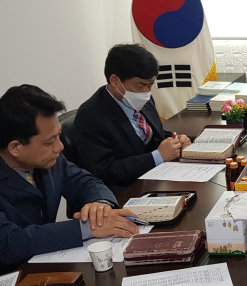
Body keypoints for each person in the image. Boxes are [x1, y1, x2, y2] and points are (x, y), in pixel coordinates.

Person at [0, 85, 139, 286]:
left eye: (58, 136)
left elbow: (83, 181)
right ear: (15, 147)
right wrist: (89, 228)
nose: (60, 147)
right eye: (50, 142)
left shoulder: (43, 152)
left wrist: (99, 206)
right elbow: (6, 243)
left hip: (36, 265)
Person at [73, 43, 192, 189]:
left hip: (155, 178)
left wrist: (176, 141)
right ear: (115, 80)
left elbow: (154, 135)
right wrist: (158, 156)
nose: (146, 92)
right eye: (140, 85)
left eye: (150, 85)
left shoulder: (144, 99)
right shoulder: (91, 115)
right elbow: (104, 170)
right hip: (123, 190)